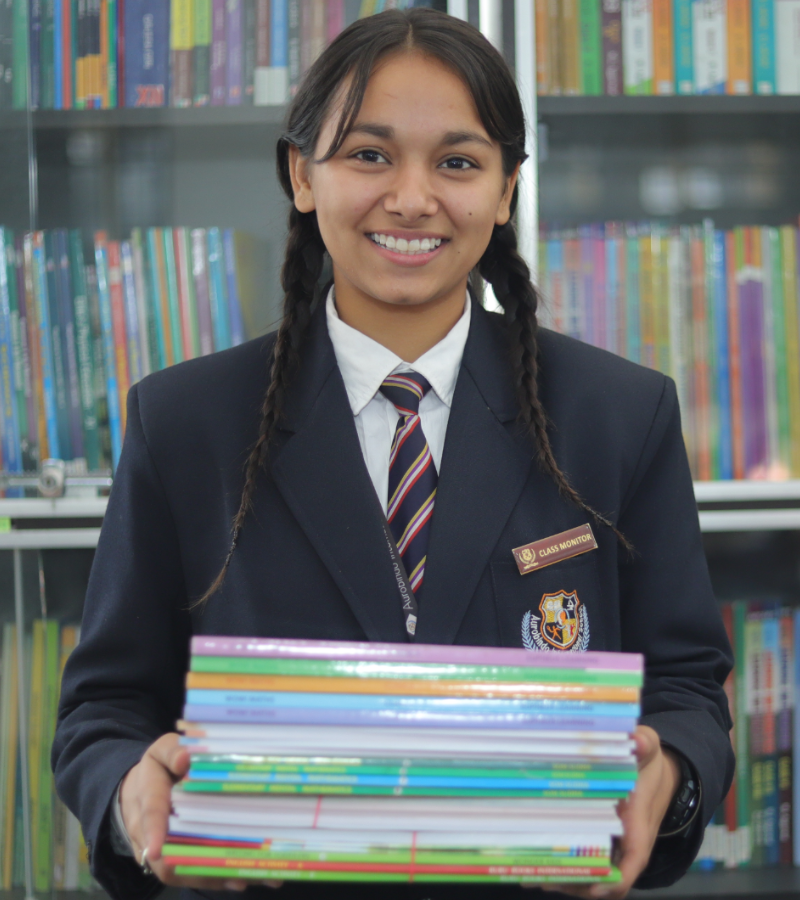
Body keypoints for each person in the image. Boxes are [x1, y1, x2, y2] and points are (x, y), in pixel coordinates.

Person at [52, 9, 734, 900]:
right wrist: (130, 796)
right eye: (369, 155)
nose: (412, 199)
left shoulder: (621, 415)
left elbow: (686, 688)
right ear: (302, 173)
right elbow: (105, 709)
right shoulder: (184, 422)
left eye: (458, 163)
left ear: (506, 189)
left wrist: (668, 772)